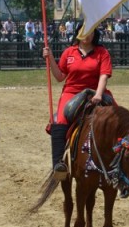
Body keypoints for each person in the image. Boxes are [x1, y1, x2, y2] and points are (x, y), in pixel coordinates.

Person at [42, 23, 114, 180]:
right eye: (83, 32)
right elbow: (60, 76)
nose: (87, 36)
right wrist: (50, 58)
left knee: (117, 117)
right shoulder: (69, 52)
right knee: (59, 120)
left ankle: (121, 159)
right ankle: (59, 164)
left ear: (95, 34)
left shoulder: (102, 52)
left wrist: (99, 95)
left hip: (96, 91)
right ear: (77, 34)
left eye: (90, 32)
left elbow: (104, 75)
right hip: (72, 92)